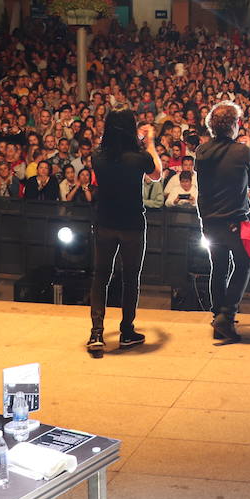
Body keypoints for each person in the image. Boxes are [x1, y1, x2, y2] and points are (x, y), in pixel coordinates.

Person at [86, 110, 160, 356]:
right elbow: (157, 173)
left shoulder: (97, 156)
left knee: (100, 277)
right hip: (132, 224)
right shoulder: (138, 157)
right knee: (130, 279)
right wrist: (148, 142)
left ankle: (97, 332)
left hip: (105, 221)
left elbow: (105, 147)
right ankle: (127, 331)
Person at [194, 101, 250, 342]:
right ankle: (227, 314)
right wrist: (248, 151)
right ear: (234, 125)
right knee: (244, 264)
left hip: (209, 222)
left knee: (219, 268)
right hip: (233, 220)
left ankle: (218, 318)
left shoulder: (201, 151)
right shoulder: (242, 151)